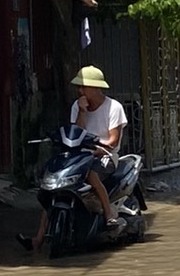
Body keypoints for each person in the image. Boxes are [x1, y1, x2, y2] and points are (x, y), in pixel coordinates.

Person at [26, 65, 126, 253]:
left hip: (105, 156)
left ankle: (109, 214)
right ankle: (38, 238)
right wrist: (82, 111)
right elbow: (76, 133)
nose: (80, 91)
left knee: (91, 175)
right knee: (54, 186)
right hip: (80, 155)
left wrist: (97, 147)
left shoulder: (114, 108)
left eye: (84, 87)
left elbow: (113, 140)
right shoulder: (78, 106)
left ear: (95, 88)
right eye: (79, 87)